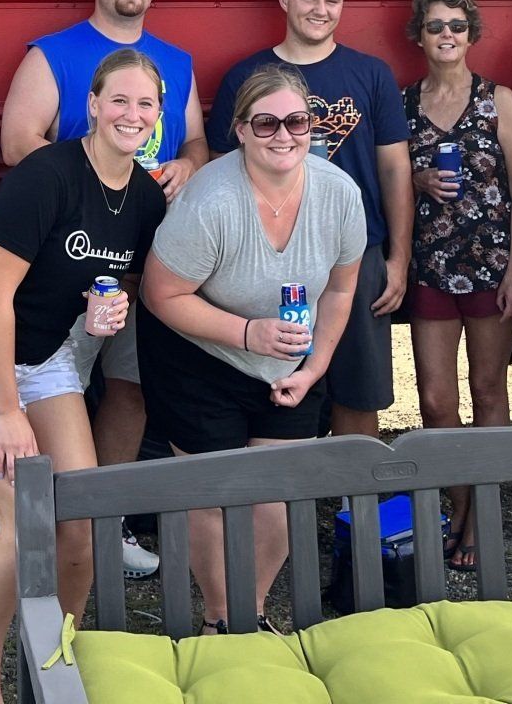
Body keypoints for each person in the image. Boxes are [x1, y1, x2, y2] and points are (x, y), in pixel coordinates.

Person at [0, 48, 167, 704]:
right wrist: (9, 412)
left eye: (145, 104)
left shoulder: (143, 197)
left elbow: (123, 279)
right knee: (24, 520)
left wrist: (107, 304)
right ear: (92, 104)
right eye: (119, 100)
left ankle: (58, 654)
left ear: (159, 117)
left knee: (79, 520)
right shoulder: (48, 175)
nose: (130, 114)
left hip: (43, 352)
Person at [1, 0, 207, 576]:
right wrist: (93, 187)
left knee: (131, 387)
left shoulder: (175, 61)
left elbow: (198, 143)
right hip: (71, 263)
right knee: (59, 381)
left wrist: (183, 166)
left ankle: (105, 524)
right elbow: (16, 143)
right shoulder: (54, 53)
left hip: (148, 259)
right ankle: (53, 529)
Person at [140, 64, 364, 631]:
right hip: (199, 353)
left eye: (296, 121)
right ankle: (219, 616)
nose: (283, 135)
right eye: (266, 124)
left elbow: (340, 289)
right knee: (210, 496)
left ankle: (253, 609)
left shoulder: (338, 193)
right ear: (239, 130)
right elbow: (160, 293)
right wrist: (247, 333)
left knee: (278, 497)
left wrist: (314, 369)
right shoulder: (210, 201)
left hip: (287, 358)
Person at [207, 0, 412, 438]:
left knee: (357, 388)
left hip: (356, 252)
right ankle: (281, 500)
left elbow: (394, 167)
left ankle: (353, 504)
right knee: (272, 374)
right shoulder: (246, 76)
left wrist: (398, 258)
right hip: (267, 254)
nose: (321, 10)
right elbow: (220, 167)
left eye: (332, 0)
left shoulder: (371, 74)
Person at [400, 0, 512, 570]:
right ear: (420, 36)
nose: (446, 34)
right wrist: (417, 180)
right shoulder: (403, 102)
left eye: (457, 25)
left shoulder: (496, 98)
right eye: (435, 26)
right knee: (433, 398)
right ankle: (461, 508)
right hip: (429, 265)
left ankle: (480, 521)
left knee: (488, 390)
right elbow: (389, 176)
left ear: (471, 35)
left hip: (489, 264)